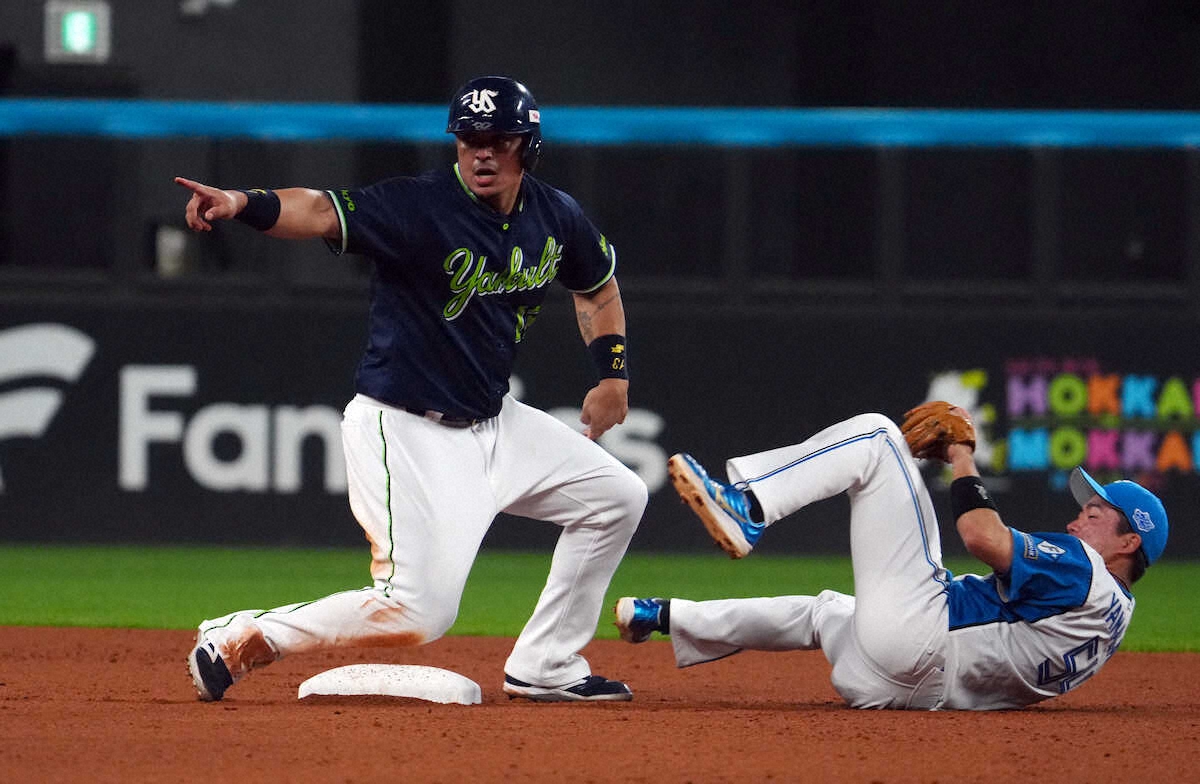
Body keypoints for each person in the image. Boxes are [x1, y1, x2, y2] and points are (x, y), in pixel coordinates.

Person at [176, 75, 647, 702]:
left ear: (528, 146)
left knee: (617, 496)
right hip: (406, 427)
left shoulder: (555, 214)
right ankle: (240, 636)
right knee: (418, 611)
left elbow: (596, 286)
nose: (482, 153)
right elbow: (319, 210)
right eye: (469, 140)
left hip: (495, 421)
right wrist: (242, 201)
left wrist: (612, 372)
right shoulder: (416, 205)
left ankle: (547, 663)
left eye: (499, 140)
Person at [615, 406, 1168, 710]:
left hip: (919, 641)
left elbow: (981, 536)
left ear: (1129, 542)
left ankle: (750, 507)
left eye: (1095, 513)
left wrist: (961, 456)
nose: (1076, 521)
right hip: (902, 690)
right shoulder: (1115, 619)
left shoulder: (1083, 568)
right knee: (823, 611)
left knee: (879, 439)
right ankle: (663, 616)